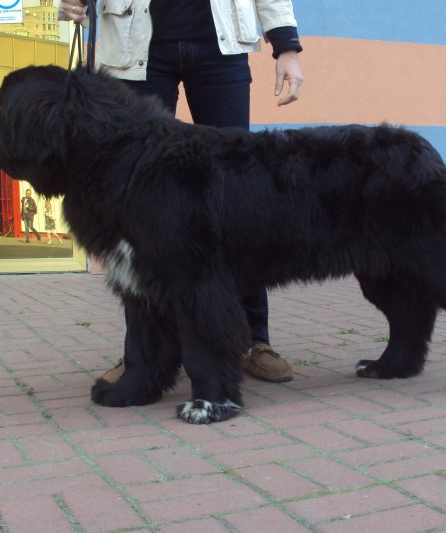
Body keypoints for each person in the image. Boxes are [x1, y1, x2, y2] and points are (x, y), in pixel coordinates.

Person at [59, 0, 304, 383]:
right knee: (137, 206)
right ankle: (144, 352)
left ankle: (254, 339)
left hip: (219, 44)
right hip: (134, 42)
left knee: (237, 198)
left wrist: (286, 45)